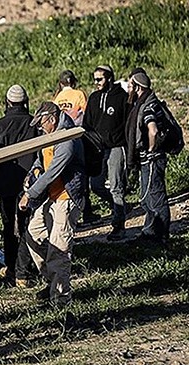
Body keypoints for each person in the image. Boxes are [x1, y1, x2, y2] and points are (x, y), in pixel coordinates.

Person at [18, 102, 86, 307]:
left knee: (59, 249)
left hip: (66, 198)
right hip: (51, 197)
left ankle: (61, 301)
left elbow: (53, 172)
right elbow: (41, 161)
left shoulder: (67, 139)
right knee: (33, 235)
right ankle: (51, 283)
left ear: (52, 119)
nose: (40, 128)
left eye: (41, 124)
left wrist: (29, 195)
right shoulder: (50, 135)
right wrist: (32, 174)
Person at [0, 84, 38, 287]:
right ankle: (23, 271)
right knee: (25, 226)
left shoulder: (0, 124)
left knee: (7, 226)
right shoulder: (33, 123)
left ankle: (11, 267)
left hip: (5, 182)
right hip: (28, 183)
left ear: (7, 103)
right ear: (25, 102)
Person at [81, 65, 129, 240]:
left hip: (116, 146)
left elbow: (128, 124)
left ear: (109, 78)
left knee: (116, 186)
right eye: (94, 79)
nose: (96, 83)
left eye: (99, 79)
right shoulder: (94, 98)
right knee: (96, 185)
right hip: (98, 149)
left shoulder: (122, 98)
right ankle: (121, 208)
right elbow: (87, 125)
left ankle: (119, 225)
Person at [126, 72, 170, 244]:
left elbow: (153, 130)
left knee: (156, 197)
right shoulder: (143, 102)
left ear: (138, 87)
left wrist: (151, 150)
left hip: (152, 158)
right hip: (148, 158)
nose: (128, 89)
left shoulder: (149, 106)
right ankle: (150, 232)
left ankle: (161, 236)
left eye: (130, 85)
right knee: (147, 198)